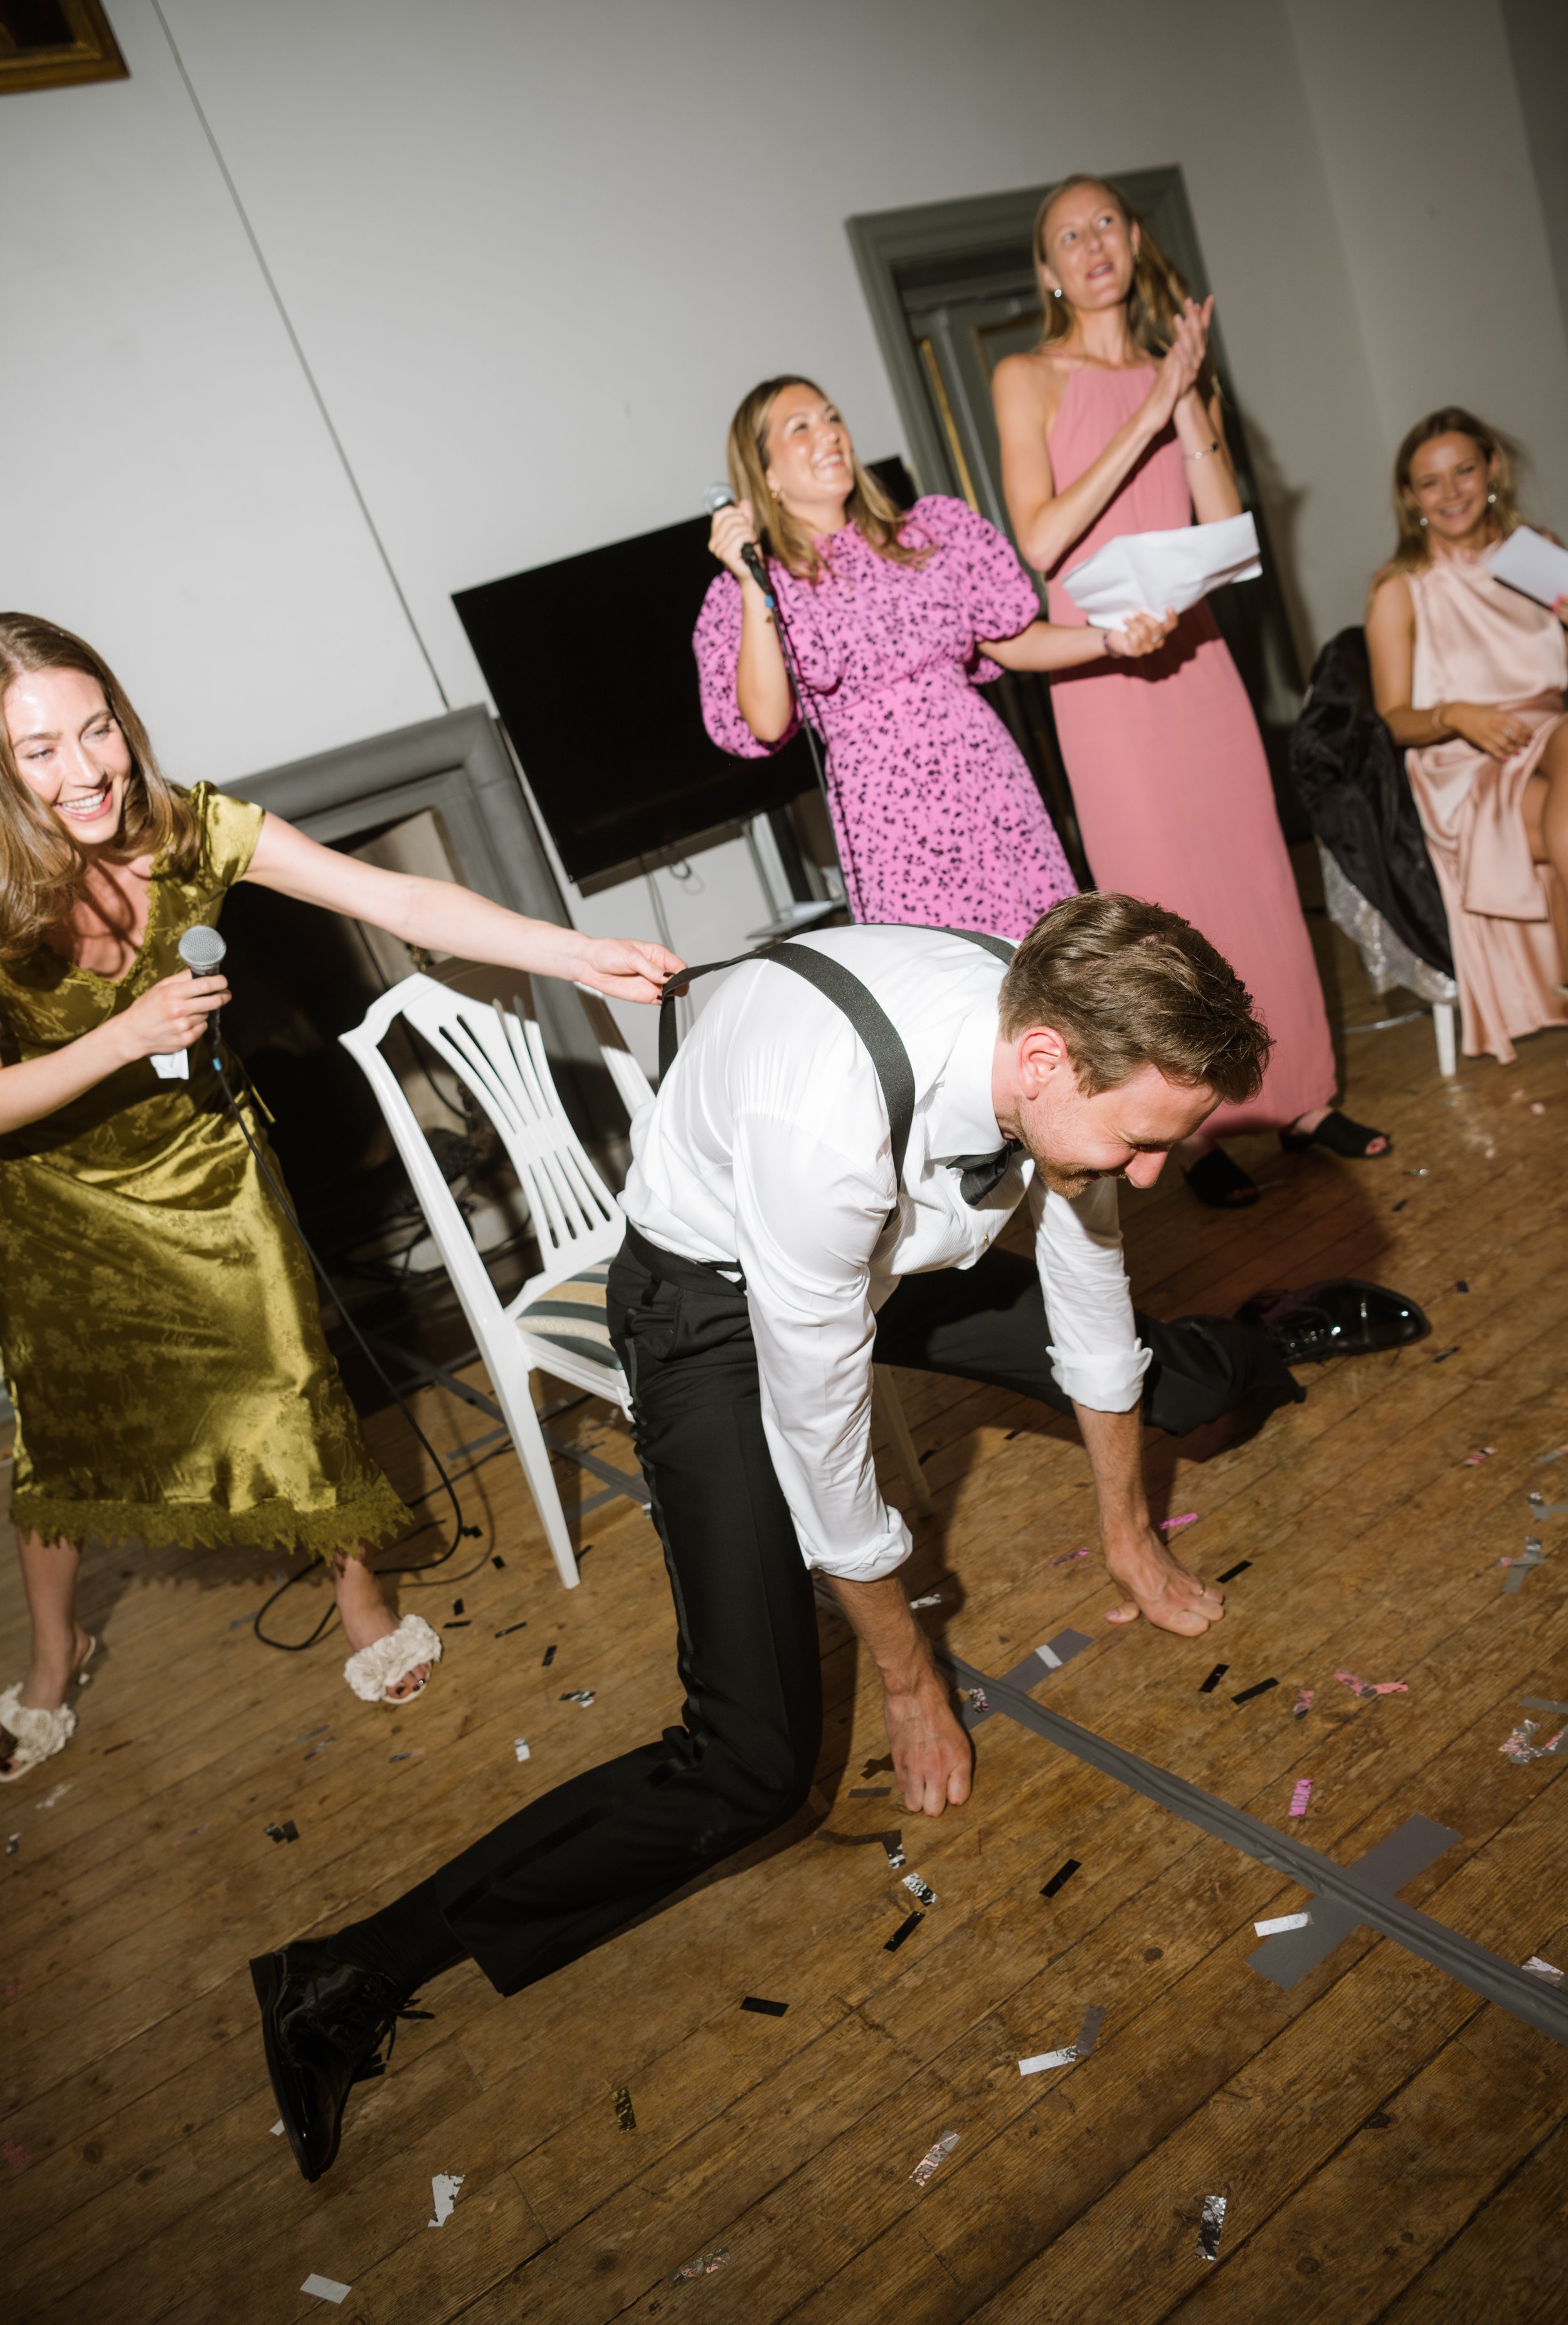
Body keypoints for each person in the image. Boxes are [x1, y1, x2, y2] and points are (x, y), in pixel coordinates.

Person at [250, 893, 1422, 2184]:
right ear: (1040, 1064)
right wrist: (912, 1683)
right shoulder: (825, 1123)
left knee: (1169, 1386)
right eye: (1140, 1142)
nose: (1150, 1172)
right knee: (749, 1766)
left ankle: (1270, 1329)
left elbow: (1089, 1294)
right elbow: (825, 1452)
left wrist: (1126, 1536)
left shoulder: (1060, 1036)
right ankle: (348, 1967)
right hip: (716, 1298)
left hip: (892, 1255)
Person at [0, 614, 681, 1780]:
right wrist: (120, 1041)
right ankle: (53, 1655)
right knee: (58, 1432)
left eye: (97, 727)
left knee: (295, 1387)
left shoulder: (191, 829)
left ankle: (358, 1596)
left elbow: (395, 903)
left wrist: (568, 952)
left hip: (208, 1176)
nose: (87, 770)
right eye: (39, 752)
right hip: (58, 1206)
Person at [993, 173, 1389, 1208]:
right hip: (1103, 671)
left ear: (1134, 241)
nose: (1090, 244)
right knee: (1160, 901)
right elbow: (1039, 536)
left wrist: (1190, 403)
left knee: (1255, 871)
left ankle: (1299, 1097)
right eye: (1067, 234)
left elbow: (1228, 530)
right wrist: (1151, 410)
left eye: (1107, 224)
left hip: (1196, 654)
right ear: (1048, 269)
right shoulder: (1025, 376)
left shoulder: (1181, 374)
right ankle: (1197, 1134)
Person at [694, 375, 1176, 935]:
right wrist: (753, 582)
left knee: (1047, 968)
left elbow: (1010, 639)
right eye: (801, 427)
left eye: (832, 418)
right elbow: (768, 719)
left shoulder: (929, 534)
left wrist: (1109, 640)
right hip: (889, 814)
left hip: (987, 776)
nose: (829, 434)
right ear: (766, 475)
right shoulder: (752, 592)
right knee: (949, 986)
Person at [1365, 407, 1568, 1062]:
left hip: (1553, 734)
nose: (1450, 492)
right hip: (1459, 760)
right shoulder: (1402, 588)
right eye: (1430, 482)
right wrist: (1456, 714)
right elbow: (1393, 719)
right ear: (1409, 497)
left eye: (1463, 471)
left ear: (1490, 473)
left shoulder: (1535, 555)